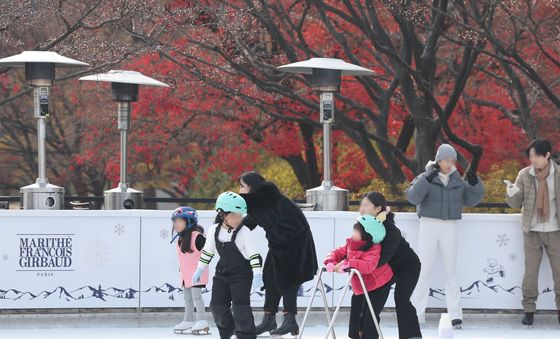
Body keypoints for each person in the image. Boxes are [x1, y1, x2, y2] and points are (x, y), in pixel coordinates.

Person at [407, 144, 484, 329]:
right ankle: (416, 313)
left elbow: (472, 200)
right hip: (428, 224)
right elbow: (412, 197)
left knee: (451, 271)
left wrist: (475, 183)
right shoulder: (425, 176)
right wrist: (427, 178)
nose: (450, 164)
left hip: (450, 226)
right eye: (446, 160)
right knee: (424, 270)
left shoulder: (457, 180)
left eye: (453, 160)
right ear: (438, 160)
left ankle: (455, 315)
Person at [239, 172, 318, 336]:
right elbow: (254, 219)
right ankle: (269, 318)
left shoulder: (265, 199)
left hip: (296, 241)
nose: (239, 190)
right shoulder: (264, 199)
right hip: (280, 243)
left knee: (288, 279)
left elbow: (254, 217)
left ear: (252, 187)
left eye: (242, 186)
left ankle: (290, 319)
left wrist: (234, 224)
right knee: (270, 276)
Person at [192, 192, 264, 339]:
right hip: (222, 274)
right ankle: (228, 331)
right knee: (217, 307)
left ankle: (246, 335)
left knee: (240, 308)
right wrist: (200, 269)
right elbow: (208, 252)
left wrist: (257, 274)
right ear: (223, 214)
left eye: (241, 215)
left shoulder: (244, 232)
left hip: (242, 275)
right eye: (235, 215)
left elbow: (254, 255)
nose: (239, 219)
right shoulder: (214, 230)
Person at [505, 138, 560, 326]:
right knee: (530, 273)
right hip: (532, 231)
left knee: (559, 272)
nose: (533, 160)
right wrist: (511, 192)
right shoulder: (524, 174)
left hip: (555, 231)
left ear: (547, 155)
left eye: (536, 156)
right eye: (530, 156)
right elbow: (514, 203)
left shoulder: (558, 174)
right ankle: (529, 310)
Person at [360, 192, 422, 339]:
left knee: (401, 299)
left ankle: (412, 336)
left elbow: (380, 259)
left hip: (407, 266)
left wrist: (360, 264)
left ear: (378, 209)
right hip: (386, 268)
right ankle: (367, 335)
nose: (361, 208)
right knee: (372, 298)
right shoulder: (364, 226)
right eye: (361, 204)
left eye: (366, 205)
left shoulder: (390, 230)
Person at [324, 214, 393, 339]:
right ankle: (355, 335)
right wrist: (330, 261)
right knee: (356, 316)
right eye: (354, 230)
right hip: (361, 287)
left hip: (378, 285)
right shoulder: (352, 243)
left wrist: (349, 263)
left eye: (357, 231)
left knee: (368, 317)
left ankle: (367, 335)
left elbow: (368, 266)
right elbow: (338, 252)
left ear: (368, 234)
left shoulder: (374, 248)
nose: (353, 233)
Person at [170, 206, 210, 335]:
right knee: (187, 298)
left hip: (197, 274)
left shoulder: (197, 237)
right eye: (174, 221)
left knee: (196, 297)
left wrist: (200, 268)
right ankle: (188, 320)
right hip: (186, 275)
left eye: (179, 221)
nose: (176, 224)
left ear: (189, 221)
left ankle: (202, 320)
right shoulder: (180, 239)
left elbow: (208, 252)